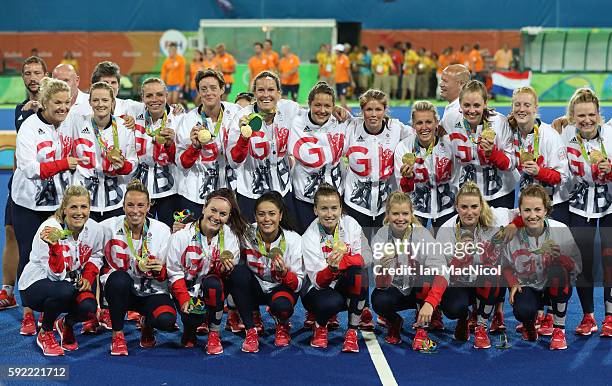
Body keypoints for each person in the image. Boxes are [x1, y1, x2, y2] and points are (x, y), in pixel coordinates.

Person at [13, 77, 81, 336]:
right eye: (57, 103)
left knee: (57, 254)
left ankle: (53, 305)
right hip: (28, 204)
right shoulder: (30, 127)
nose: (63, 107)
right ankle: (28, 313)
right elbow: (29, 168)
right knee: (28, 254)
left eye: (67, 102)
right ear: (43, 102)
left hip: (56, 205)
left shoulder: (70, 122)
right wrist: (64, 163)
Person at [18, 185, 104, 356]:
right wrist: (55, 247)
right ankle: (45, 333)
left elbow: (96, 255)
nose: (79, 212)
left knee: (88, 307)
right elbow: (54, 276)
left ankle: (66, 324)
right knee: (64, 290)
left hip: (68, 283)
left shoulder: (94, 229)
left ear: (89, 208)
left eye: (83, 207)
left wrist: (87, 277)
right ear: (64, 209)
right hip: (35, 286)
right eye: (73, 207)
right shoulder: (50, 229)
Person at [436, 182, 519, 349]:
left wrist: (515, 224)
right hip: (459, 282)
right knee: (452, 308)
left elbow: (527, 212)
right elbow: (441, 270)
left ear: (481, 206)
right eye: (464, 207)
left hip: (485, 279)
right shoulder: (446, 230)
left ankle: (481, 326)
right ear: (456, 207)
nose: (469, 212)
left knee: (492, 272)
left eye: (474, 206)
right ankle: (463, 317)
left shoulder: (496, 218)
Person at [100, 180, 177, 356]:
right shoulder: (108, 227)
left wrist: (160, 270)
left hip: (152, 291)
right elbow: (84, 229)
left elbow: (170, 269)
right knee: (119, 279)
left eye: (141, 205)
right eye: (130, 205)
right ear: (123, 206)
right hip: (122, 293)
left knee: (166, 320)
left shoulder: (162, 230)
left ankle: (147, 322)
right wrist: (57, 219)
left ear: (149, 206)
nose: (135, 211)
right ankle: (118, 335)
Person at [167, 188, 246, 354]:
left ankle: (214, 334)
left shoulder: (230, 237)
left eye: (223, 214)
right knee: (191, 317)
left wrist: (225, 270)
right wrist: (184, 299)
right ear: (203, 208)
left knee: (214, 283)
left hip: (210, 288)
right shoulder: (182, 235)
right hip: (186, 288)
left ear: (228, 217)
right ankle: (190, 329)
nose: (216, 217)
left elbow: (226, 278)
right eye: (213, 210)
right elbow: (174, 272)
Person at [559, 88, 612, 337]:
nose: (587, 120)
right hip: (579, 204)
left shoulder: (611, 135)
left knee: (610, 259)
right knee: (583, 262)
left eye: (591, 114)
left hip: (610, 202)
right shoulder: (565, 133)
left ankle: (610, 316)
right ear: (572, 116)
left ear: (599, 114)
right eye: (580, 116)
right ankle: (588, 315)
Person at [505, 184, 582, 349]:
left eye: (537, 210)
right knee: (522, 310)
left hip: (553, 285)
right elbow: (504, 264)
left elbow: (577, 267)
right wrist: (512, 282)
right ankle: (529, 322)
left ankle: (558, 329)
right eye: (527, 210)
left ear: (546, 210)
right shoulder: (512, 234)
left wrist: (561, 258)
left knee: (559, 271)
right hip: (528, 285)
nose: (532, 215)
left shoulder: (560, 230)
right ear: (519, 211)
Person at [371, 191, 448, 349]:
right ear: (388, 214)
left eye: (405, 213)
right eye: (395, 214)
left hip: (420, 291)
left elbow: (442, 272)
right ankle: (394, 321)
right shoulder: (381, 236)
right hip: (397, 290)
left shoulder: (423, 235)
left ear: (412, 214)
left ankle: (422, 328)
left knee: (425, 276)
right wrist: (384, 268)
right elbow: (380, 284)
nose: (400, 218)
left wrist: (431, 303)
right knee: (379, 300)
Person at [229, 191, 304, 352]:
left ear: (280, 216)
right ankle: (251, 330)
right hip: (256, 287)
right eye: (261, 214)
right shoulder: (246, 234)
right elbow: (221, 233)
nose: (266, 219)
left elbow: (298, 285)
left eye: (272, 214)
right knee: (237, 272)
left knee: (282, 306)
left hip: (280, 288)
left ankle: (282, 324)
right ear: (255, 216)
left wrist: (284, 274)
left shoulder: (294, 240)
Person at [1, 56, 47, 311]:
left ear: (45, 74)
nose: (32, 77)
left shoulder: (57, 106)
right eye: (27, 73)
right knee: (11, 232)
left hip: (50, 185)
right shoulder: (21, 109)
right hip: (21, 184)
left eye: (36, 72)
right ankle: (7, 291)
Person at [226, 71, 301, 223]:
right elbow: (234, 161)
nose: (266, 94)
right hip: (250, 194)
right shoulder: (242, 117)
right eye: (261, 90)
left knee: (287, 239)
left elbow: (315, 115)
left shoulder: (290, 110)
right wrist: (243, 137)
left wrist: (336, 111)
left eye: (271, 90)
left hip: (282, 191)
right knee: (249, 243)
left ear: (279, 93)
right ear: (254, 93)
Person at [301, 184, 368, 352]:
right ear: (315, 210)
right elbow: (318, 281)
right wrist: (331, 269)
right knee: (333, 302)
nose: (329, 214)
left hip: (343, 282)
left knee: (359, 275)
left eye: (334, 208)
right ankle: (320, 324)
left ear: (340, 209)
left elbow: (368, 256)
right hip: (317, 288)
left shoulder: (351, 224)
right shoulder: (309, 236)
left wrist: (343, 262)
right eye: (324, 209)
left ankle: (352, 331)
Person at [176, 69, 242, 215]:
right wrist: (194, 147)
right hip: (195, 195)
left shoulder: (236, 113)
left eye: (213, 88)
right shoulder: (188, 120)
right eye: (203, 89)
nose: (208, 93)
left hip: (230, 193)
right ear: (198, 92)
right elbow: (181, 164)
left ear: (222, 89)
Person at [343, 89, 411, 229]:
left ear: (385, 110)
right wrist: (335, 109)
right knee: (358, 246)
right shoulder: (351, 127)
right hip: (355, 203)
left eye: (378, 109)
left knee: (384, 247)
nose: (374, 114)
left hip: (386, 203)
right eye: (369, 109)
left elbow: (419, 137)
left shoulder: (396, 128)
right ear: (362, 111)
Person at [288, 81, 349, 234]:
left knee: (333, 244)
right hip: (304, 198)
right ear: (309, 104)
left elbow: (365, 127)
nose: (322, 110)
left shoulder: (342, 122)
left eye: (328, 106)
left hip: (334, 198)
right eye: (317, 105)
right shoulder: (294, 121)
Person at [70, 82, 137, 222]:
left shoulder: (124, 127)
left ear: (113, 102)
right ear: (89, 102)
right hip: (84, 202)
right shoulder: (77, 123)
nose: (100, 104)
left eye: (105, 100)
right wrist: (39, 108)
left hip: (116, 200)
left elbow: (133, 162)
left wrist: (123, 166)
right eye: (95, 100)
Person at [447, 80, 518, 209]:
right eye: (466, 105)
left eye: (477, 105)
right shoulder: (449, 120)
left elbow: (512, 163)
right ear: (460, 104)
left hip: (500, 192)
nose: (471, 110)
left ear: (485, 103)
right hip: (467, 193)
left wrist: (493, 154)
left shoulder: (499, 122)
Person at [508, 86, 570, 223]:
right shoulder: (510, 133)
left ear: (535, 108)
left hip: (554, 205)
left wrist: (539, 171)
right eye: (517, 104)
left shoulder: (550, 136)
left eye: (527, 105)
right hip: (528, 206)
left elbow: (562, 177)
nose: (521, 109)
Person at [395, 100, 456, 231]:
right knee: (413, 248)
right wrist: (408, 178)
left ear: (436, 123)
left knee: (447, 249)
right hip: (416, 208)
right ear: (413, 125)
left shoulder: (450, 145)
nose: (424, 127)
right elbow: (403, 190)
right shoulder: (404, 148)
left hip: (448, 207)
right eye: (419, 123)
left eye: (428, 122)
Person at [131, 78, 181, 227]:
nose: (154, 100)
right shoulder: (133, 114)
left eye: (159, 94)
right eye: (149, 96)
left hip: (171, 189)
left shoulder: (179, 118)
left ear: (166, 95)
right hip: (140, 188)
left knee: (170, 231)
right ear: (142, 98)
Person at [439, 64, 470, 133]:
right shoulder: (454, 106)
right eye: (441, 80)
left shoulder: (461, 111)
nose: (440, 84)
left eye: (445, 81)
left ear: (461, 84)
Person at [334, 44, 354, 110]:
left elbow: (348, 70)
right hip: (338, 80)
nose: (335, 51)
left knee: (342, 95)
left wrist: (351, 81)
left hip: (344, 80)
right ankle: (347, 108)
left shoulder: (345, 58)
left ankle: (342, 109)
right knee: (340, 96)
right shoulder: (336, 58)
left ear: (339, 50)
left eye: (336, 50)